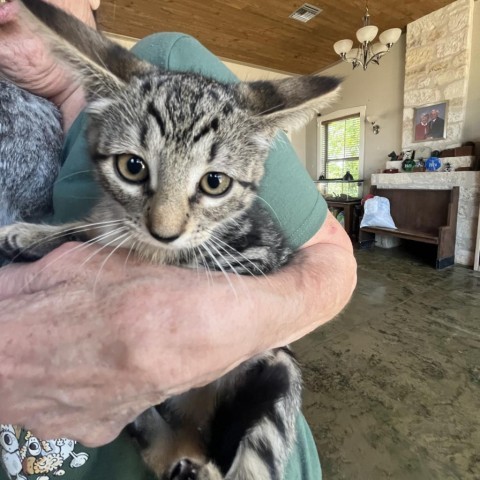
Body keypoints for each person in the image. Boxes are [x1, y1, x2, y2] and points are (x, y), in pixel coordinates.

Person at [0, 1, 357, 479]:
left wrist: (224, 320)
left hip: (239, 406)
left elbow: (331, 258)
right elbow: (102, 237)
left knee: (277, 373)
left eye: (211, 184)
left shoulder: (167, 57)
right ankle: (172, 449)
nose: (165, 225)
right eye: (133, 168)